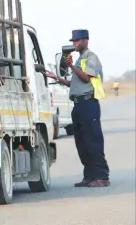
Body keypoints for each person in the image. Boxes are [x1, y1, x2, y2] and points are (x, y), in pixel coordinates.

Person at [45, 29, 110, 187]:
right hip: (78, 105)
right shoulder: (80, 59)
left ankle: (102, 177)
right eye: (73, 41)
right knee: (82, 143)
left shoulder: (91, 58)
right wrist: (57, 78)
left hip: (89, 104)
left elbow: (87, 78)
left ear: (86, 41)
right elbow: (74, 83)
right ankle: (89, 176)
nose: (74, 43)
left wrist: (72, 67)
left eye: (77, 41)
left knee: (93, 141)